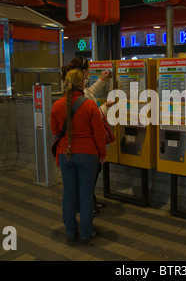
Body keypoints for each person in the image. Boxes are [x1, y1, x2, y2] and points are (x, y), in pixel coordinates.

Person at [50, 69, 107, 244]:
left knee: (69, 194)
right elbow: (99, 134)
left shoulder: (57, 105)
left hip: (66, 154)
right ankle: (86, 233)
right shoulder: (90, 106)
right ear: (83, 83)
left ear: (66, 84)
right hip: (87, 155)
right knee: (86, 194)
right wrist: (102, 154)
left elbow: (54, 131)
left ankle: (70, 231)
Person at [62, 56, 114, 213]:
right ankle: (86, 211)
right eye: (89, 69)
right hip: (87, 150)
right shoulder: (86, 100)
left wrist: (101, 80)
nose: (90, 72)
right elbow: (94, 118)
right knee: (86, 184)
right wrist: (104, 107)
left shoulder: (64, 99)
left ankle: (78, 215)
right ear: (83, 73)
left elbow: (55, 128)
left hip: (67, 151)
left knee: (73, 189)